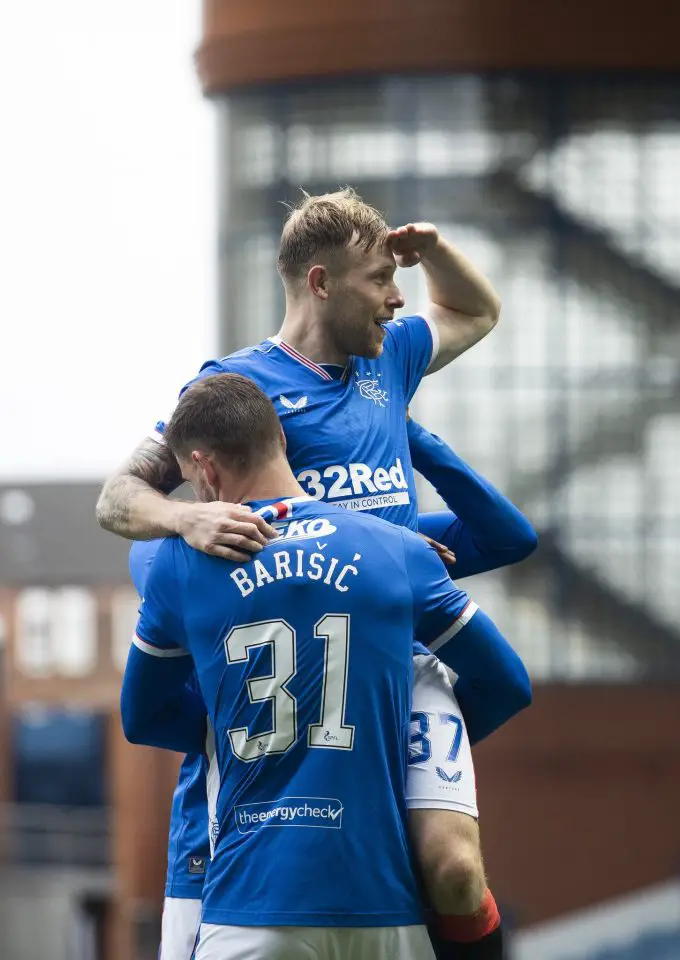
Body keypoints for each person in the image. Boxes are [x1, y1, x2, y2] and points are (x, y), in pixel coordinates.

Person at [98, 188, 514, 959]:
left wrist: (432, 251)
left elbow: (477, 311)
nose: (397, 299)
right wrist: (187, 520)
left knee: (455, 869)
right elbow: (118, 496)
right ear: (320, 283)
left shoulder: (390, 357)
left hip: (394, 663)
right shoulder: (241, 389)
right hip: (289, 675)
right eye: (379, 279)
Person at [121, 373, 531, 960]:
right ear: (282, 441)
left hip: (251, 906)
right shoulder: (399, 549)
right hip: (385, 911)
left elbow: (142, 717)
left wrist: (233, 729)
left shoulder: (179, 564)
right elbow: (507, 681)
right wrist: (394, 738)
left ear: (204, 470)